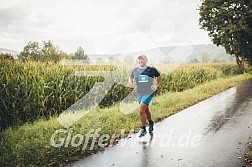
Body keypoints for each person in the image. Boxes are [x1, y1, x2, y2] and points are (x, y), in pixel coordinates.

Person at [128, 54, 161, 137]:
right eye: (139, 60)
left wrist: (156, 85)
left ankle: (143, 129)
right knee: (145, 110)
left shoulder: (151, 70)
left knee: (141, 109)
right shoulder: (135, 70)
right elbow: (130, 77)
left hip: (149, 92)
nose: (140, 61)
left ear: (146, 60)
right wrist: (131, 82)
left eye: (142, 59)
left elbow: (158, 76)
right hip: (140, 92)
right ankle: (150, 122)